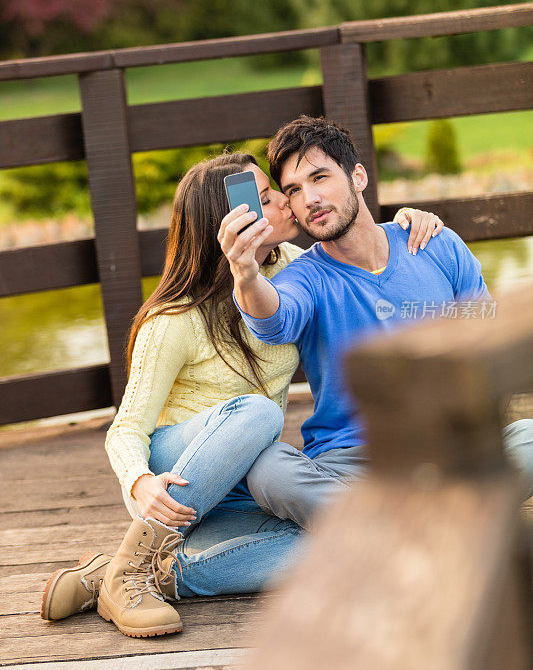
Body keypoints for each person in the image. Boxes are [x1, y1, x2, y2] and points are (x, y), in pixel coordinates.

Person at [40, 150, 443, 637]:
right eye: (271, 198)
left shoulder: (294, 269)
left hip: (246, 487)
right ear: (228, 219)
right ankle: (134, 563)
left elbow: (354, 243)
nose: (289, 205)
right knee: (257, 413)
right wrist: (139, 483)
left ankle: (132, 575)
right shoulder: (174, 318)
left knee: (345, 544)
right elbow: (126, 428)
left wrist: (406, 227)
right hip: (181, 475)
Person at [219, 115, 533, 529]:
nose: (309, 198)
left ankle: (391, 524)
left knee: (528, 436)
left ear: (358, 177)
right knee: (269, 471)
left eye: (320, 178)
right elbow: (272, 318)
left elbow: (488, 342)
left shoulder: (436, 243)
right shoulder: (303, 279)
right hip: (352, 462)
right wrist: (245, 273)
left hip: (449, 446)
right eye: (294, 190)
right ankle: (439, 518)